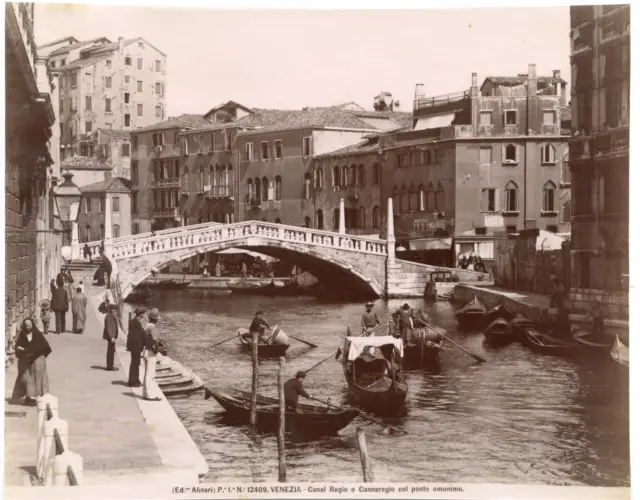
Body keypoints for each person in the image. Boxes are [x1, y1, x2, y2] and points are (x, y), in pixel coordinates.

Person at [11, 319, 51, 406]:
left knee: (37, 380)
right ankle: (29, 398)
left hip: (37, 362)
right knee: (26, 380)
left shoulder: (37, 334)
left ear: (32, 325)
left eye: (29, 325)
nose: (28, 327)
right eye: (26, 325)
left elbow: (47, 348)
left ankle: (36, 398)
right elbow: (18, 345)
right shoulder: (22, 335)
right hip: (26, 362)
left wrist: (41, 358)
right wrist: (20, 349)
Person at [143, 308, 162, 401]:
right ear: (156, 319)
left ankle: (145, 393)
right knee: (150, 374)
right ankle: (150, 395)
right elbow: (155, 340)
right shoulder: (152, 328)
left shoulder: (146, 326)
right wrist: (156, 350)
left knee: (147, 373)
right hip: (150, 352)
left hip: (146, 350)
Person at [127, 307, 147, 387]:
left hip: (133, 345)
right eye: (144, 313)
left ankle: (135, 380)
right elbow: (140, 335)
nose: (144, 315)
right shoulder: (137, 323)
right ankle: (133, 381)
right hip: (136, 346)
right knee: (135, 363)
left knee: (134, 363)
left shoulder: (133, 321)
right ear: (141, 314)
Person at [103, 303, 119, 371]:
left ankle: (110, 365)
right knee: (111, 352)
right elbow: (109, 327)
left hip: (111, 336)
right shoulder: (109, 316)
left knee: (111, 351)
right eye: (114, 309)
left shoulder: (110, 315)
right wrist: (112, 337)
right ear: (111, 309)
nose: (115, 311)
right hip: (111, 337)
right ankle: (110, 366)